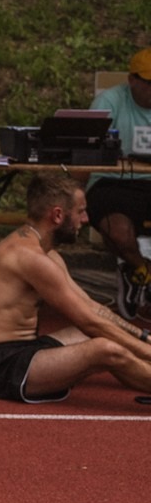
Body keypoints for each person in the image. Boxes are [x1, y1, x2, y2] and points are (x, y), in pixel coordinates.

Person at [0, 173, 151, 404]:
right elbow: (89, 322)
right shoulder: (30, 258)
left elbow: (92, 308)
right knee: (105, 348)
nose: (85, 219)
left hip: (25, 349)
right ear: (57, 215)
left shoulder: (45, 252)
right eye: (80, 212)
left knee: (99, 334)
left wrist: (144, 337)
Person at [86, 47, 151, 319]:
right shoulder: (108, 102)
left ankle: (136, 274)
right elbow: (88, 149)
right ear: (132, 79)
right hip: (112, 182)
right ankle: (141, 271)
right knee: (119, 232)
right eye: (149, 83)